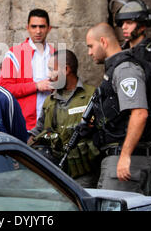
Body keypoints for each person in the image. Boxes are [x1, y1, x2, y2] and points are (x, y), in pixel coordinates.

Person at [110, 0, 151, 191]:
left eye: (129, 23)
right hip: (131, 132)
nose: (124, 27)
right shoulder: (121, 54)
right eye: (122, 23)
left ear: (142, 25)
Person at [85, 22, 151, 195]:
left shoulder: (125, 69)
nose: (89, 52)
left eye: (91, 46)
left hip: (125, 159)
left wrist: (125, 156)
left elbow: (139, 113)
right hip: (117, 157)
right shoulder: (115, 69)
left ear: (103, 41)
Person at [28, 50, 100, 187]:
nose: (48, 75)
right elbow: (38, 131)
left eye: (51, 70)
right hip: (56, 172)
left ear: (66, 69)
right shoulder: (50, 101)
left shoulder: (92, 96)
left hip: (85, 173)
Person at [0, 9, 55, 131]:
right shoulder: (14, 54)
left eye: (42, 26)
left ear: (49, 28)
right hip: (24, 126)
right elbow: (4, 89)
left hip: (51, 126)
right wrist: (36, 86)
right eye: (34, 26)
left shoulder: (56, 54)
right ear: (27, 28)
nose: (38, 31)